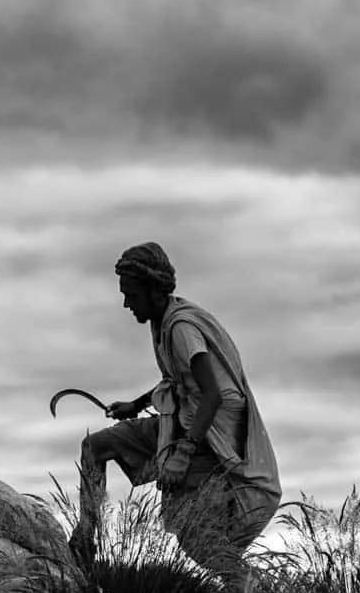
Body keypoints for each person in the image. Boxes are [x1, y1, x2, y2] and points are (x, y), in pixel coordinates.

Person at [72, 241, 282, 572]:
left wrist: (182, 455)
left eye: (132, 294)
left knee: (196, 537)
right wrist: (137, 404)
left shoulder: (182, 328)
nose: (126, 303)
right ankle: (86, 538)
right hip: (177, 423)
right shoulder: (162, 321)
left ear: (154, 291)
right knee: (95, 447)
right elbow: (181, 381)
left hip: (202, 437)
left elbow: (211, 394)